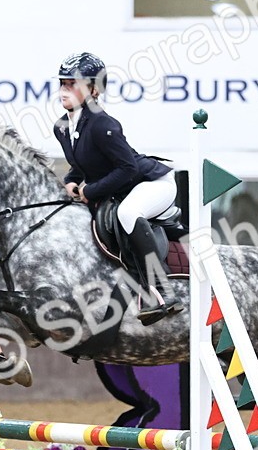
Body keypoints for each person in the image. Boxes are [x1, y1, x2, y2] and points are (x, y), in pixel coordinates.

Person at [52, 52, 182, 325]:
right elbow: (80, 165)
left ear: (93, 90)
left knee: (128, 213)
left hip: (153, 183)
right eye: (63, 83)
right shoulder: (62, 127)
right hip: (123, 186)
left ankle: (162, 290)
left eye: (72, 84)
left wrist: (90, 191)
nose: (64, 89)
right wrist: (71, 182)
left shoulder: (103, 123)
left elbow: (127, 169)